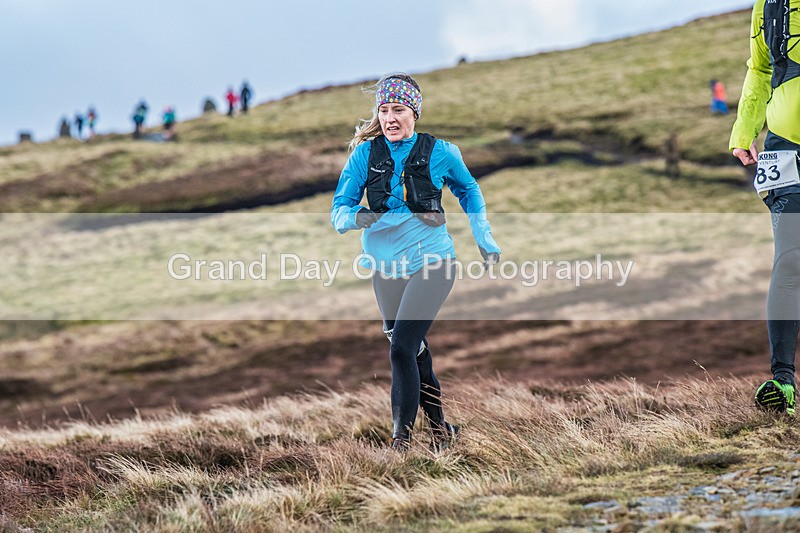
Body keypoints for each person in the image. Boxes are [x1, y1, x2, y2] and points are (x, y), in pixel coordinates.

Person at [331, 74, 501, 450]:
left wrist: (483, 237)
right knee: (414, 349)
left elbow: (469, 190)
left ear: (415, 112)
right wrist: (354, 217)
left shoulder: (441, 151)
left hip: (433, 262)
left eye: (399, 110)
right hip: (385, 267)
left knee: (400, 348)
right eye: (384, 109)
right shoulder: (364, 155)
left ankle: (401, 444)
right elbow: (339, 208)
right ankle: (441, 430)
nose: (391, 117)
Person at [730, 0, 799, 416]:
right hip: (784, 152)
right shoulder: (765, 6)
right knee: (790, 260)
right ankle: (783, 383)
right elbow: (759, 71)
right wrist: (744, 130)